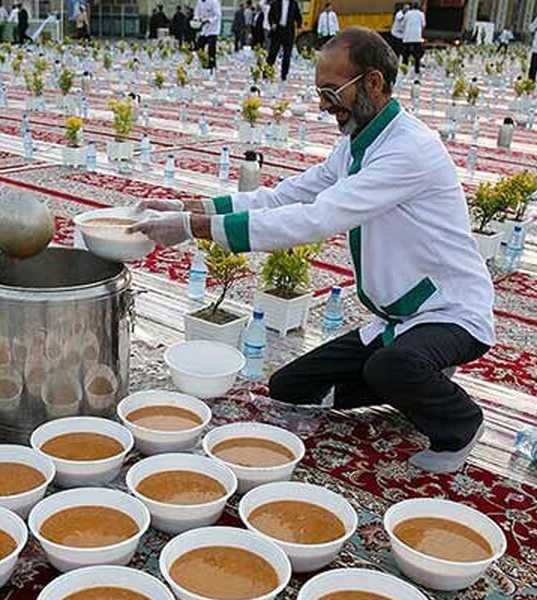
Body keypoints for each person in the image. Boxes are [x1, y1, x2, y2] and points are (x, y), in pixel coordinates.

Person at [130, 28, 495, 474]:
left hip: (449, 311)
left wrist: (193, 230)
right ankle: (417, 378)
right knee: (290, 386)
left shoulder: (409, 151)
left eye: (331, 91)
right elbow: (288, 196)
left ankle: (459, 420)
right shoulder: (356, 145)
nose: (323, 104)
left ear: (373, 83)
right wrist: (191, 207)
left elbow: (317, 218)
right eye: (319, 91)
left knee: (389, 367)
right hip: (396, 318)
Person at [267, 0, 300, 80]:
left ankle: (284, 75)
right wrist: (272, 23)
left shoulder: (294, 4)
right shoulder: (275, 3)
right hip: (278, 30)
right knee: (273, 52)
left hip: (288, 31)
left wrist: (299, 24)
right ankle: (267, 72)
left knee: (287, 55)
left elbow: (298, 16)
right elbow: (270, 16)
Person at [194, 0, 221, 68]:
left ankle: (212, 66)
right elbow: (196, 12)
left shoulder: (214, 2)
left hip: (213, 29)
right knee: (199, 47)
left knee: (211, 49)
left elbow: (218, 15)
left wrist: (209, 20)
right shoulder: (199, 2)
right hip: (203, 29)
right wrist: (196, 19)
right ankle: (203, 63)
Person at [400, 2, 425, 73]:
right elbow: (423, 25)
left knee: (405, 55)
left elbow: (403, 24)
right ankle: (417, 69)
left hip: (407, 37)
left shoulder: (407, 13)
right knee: (417, 55)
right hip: (417, 37)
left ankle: (404, 69)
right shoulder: (421, 14)